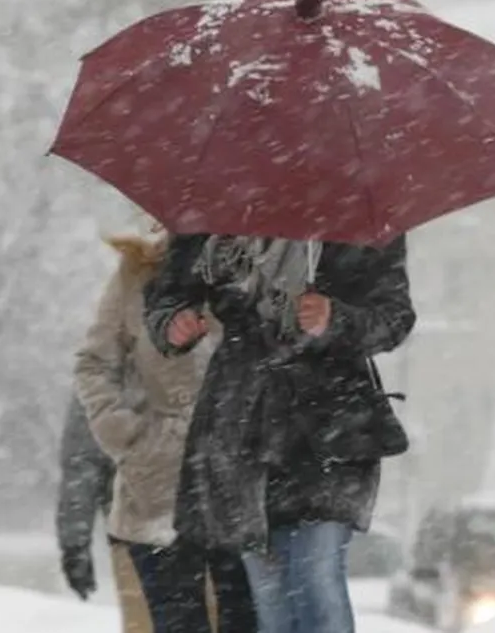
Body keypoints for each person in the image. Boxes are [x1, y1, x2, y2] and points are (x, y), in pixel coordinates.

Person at [145, 235, 415, 633]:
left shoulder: (357, 214)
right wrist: (172, 323)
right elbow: (166, 298)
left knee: (316, 576)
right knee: (270, 594)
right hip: (242, 425)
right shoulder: (221, 211)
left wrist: (335, 317)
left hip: (331, 426)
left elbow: (394, 317)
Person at [76, 227, 257, 633]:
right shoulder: (141, 269)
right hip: (157, 485)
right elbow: (95, 364)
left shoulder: (265, 266)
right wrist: (130, 436)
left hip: (243, 486)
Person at [56, 392, 152, 633]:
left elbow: (82, 465)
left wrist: (74, 545)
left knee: (144, 620)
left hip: (136, 530)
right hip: (204, 529)